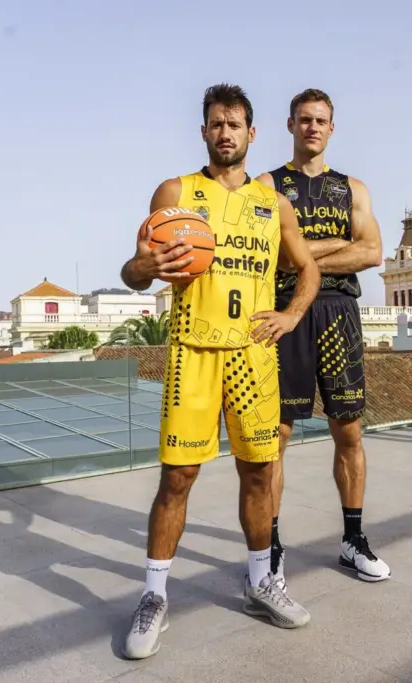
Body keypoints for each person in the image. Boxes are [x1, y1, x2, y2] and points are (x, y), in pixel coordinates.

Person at [118, 83, 321, 660]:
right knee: (178, 477)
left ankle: (261, 582)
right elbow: (133, 273)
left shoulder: (273, 203)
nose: (225, 133)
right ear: (204, 131)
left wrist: (291, 314)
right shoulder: (177, 193)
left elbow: (307, 269)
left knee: (259, 473)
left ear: (252, 133)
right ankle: (154, 596)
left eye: (234, 124)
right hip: (193, 351)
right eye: (216, 124)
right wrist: (145, 266)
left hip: (253, 353)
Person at [256, 88, 390, 590]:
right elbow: (273, 257)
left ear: (332, 128)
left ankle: (353, 539)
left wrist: (303, 253)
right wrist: (338, 244)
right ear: (290, 125)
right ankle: (270, 547)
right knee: (277, 435)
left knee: (349, 431)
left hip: (338, 312)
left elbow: (372, 252)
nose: (312, 127)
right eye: (304, 119)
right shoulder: (267, 186)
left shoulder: (352, 189)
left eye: (321, 120)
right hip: (285, 313)